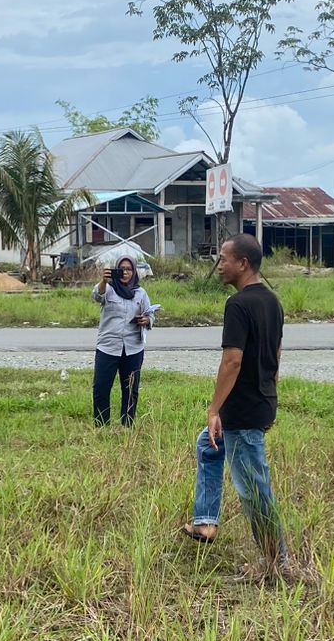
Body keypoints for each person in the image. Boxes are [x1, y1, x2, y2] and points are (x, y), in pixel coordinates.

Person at [181, 234, 289, 571]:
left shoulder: (238, 305)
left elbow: (232, 361)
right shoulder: (273, 301)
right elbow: (276, 354)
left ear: (243, 263)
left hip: (241, 408)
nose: (219, 265)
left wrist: (215, 409)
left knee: (253, 486)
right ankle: (205, 521)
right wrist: (270, 397)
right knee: (209, 446)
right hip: (259, 401)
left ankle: (278, 559)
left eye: (224, 258)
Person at [91, 255, 155, 426]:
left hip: (133, 349)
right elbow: (97, 296)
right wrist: (103, 281)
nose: (125, 272)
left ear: (134, 272)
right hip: (108, 347)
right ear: (116, 270)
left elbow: (150, 314)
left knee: (130, 390)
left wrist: (146, 320)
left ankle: (127, 424)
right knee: (101, 388)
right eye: (122, 269)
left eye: (129, 269)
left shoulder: (140, 293)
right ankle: (101, 424)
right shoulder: (109, 289)